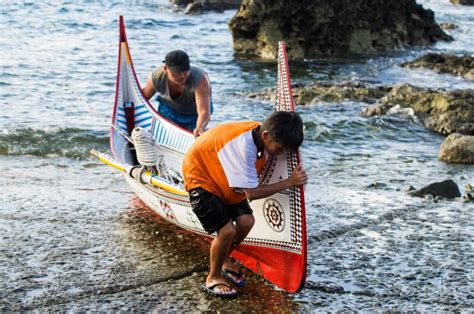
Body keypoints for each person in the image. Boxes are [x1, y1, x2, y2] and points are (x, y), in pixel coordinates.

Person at [182, 111, 308, 297]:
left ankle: (224, 259)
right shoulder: (244, 147)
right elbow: (252, 194)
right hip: (200, 177)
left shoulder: (262, 132)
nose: (281, 153)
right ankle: (213, 277)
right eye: (280, 148)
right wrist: (290, 182)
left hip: (223, 174)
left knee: (247, 221)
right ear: (266, 136)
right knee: (227, 231)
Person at [141, 50, 212, 137]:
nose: (182, 76)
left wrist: (199, 128)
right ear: (165, 69)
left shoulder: (200, 79)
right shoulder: (156, 77)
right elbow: (142, 99)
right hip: (168, 111)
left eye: (185, 71)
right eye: (177, 72)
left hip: (194, 114)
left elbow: (204, 111)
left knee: (194, 132)